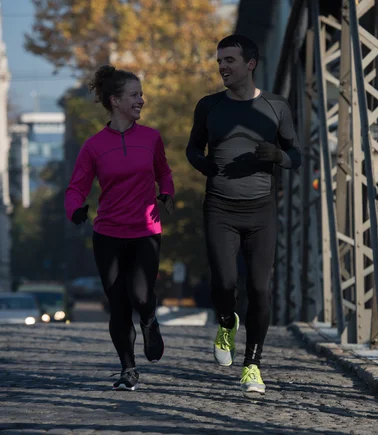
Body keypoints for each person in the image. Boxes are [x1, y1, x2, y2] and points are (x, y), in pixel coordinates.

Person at [186, 34, 301, 394]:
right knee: (223, 284)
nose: (222, 66)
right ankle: (225, 322)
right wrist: (203, 164)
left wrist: (277, 157)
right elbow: (192, 148)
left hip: (261, 210)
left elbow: (295, 155)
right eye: (219, 61)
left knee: (259, 289)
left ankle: (253, 365)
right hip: (219, 206)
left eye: (229, 60)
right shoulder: (209, 106)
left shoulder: (276, 107)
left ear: (250, 64)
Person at [64, 65, 175, 391]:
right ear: (115, 101)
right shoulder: (94, 146)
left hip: (146, 230)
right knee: (118, 304)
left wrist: (167, 191)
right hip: (109, 234)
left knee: (141, 295)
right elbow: (76, 187)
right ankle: (128, 369)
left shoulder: (151, 137)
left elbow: (163, 172)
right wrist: (75, 210)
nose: (142, 99)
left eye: (141, 94)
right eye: (135, 95)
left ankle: (150, 321)